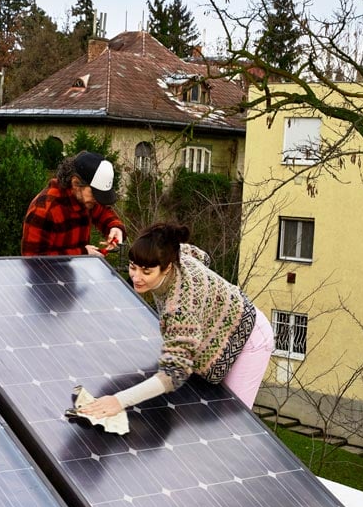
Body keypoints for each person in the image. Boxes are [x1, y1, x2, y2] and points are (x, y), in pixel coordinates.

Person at [78, 222, 275, 418]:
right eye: (133, 267)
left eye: (146, 272)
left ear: (166, 267)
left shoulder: (180, 306)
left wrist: (118, 401)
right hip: (219, 330)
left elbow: (174, 372)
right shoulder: (175, 253)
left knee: (232, 419)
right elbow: (203, 257)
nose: (137, 277)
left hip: (250, 340)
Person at [21, 150, 126, 256]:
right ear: (75, 183)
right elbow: (33, 259)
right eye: (95, 194)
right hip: (48, 272)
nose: (97, 200)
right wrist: (81, 253)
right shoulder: (44, 210)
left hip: (76, 269)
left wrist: (115, 228)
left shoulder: (85, 198)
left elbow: (102, 212)